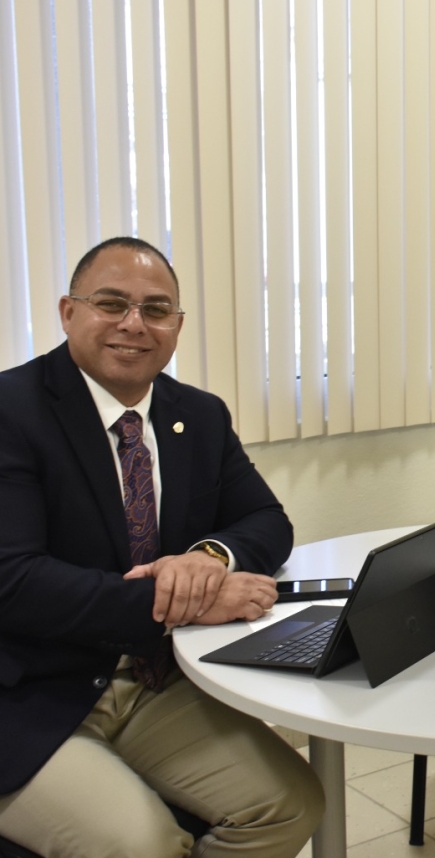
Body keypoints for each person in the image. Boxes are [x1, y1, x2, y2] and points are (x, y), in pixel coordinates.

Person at [0, 238, 324, 856]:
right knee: (147, 844)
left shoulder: (196, 414)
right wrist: (184, 601)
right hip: (28, 694)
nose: (133, 324)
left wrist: (208, 559)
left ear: (176, 326)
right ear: (68, 312)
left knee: (291, 806)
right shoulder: (12, 411)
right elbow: (13, 582)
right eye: (111, 303)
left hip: (155, 683)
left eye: (155, 309)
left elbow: (265, 519)